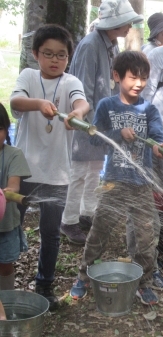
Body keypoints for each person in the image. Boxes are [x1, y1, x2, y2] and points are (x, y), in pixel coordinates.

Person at [70, 50, 163, 305]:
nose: (139, 83)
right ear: (117, 76)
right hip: (113, 182)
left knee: (146, 238)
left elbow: (157, 136)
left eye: (144, 78)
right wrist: (118, 134)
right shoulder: (107, 105)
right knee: (99, 232)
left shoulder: (149, 110)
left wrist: (159, 146)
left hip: (141, 185)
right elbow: (96, 136)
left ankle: (144, 282)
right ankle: (83, 276)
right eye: (133, 77)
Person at [10, 24, 89, 309]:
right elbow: (15, 102)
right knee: (9, 225)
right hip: (22, 171)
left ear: (68, 58)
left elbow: (82, 104)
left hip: (57, 174)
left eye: (62, 55)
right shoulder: (28, 76)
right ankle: (6, 279)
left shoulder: (70, 82)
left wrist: (76, 114)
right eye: (48, 54)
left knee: (51, 234)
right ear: (35, 54)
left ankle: (44, 285)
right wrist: (39, 103)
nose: (55, 60)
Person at [60, 0, 144, 245]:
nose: (129, 26)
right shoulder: (90, 45)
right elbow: (82, 88)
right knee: (78, 172)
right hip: (86, 119)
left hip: (102, 119)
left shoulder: (111, 45)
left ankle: (87, 212)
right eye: (126, 21)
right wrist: (91, 119)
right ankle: (68, 220)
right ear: (115, 22)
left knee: (95, 168)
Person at [0, 104, 31, 291]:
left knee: (4, 265)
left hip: (5, 224)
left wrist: (6, 193)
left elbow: (14, 187)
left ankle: (6, 302)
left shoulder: (14, 155)